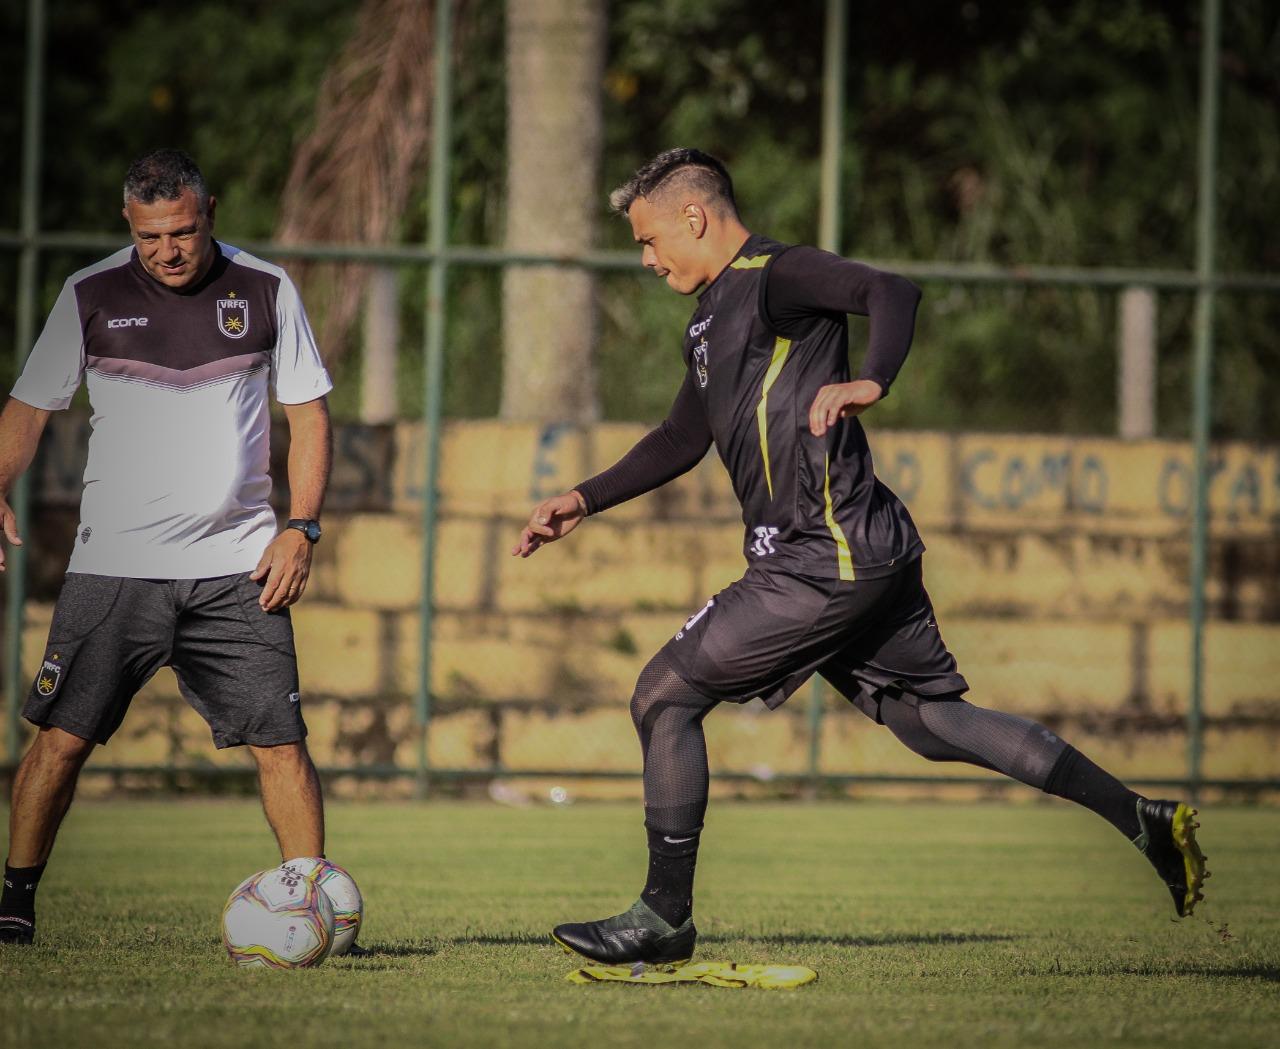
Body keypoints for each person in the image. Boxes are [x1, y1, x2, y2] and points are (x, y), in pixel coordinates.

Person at [514, 148, 1208, 967]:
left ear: (693, 218)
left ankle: (663, 917)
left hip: (824, 553)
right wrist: (583, 498)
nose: (646, 258)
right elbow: (681, 437)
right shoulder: (707, 321)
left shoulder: (777, 274)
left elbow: (891, 292)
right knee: (931, 723)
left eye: (648, 239)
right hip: (861, 550)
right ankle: (1143, 820)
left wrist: (872, 379)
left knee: (663, 694)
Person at [0, 149, 333, 945]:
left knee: (282, 747)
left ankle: (313, 905)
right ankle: (14, 899)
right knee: (61, 741)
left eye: (182, 231)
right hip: (114, 563)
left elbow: (310, 418)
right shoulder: (90, 292)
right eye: (151, 236)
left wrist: (302, 524)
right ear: (129, 223)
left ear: (209, 211)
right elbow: (29, 404)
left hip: (237, 569)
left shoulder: (266, 288)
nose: (168, 250)